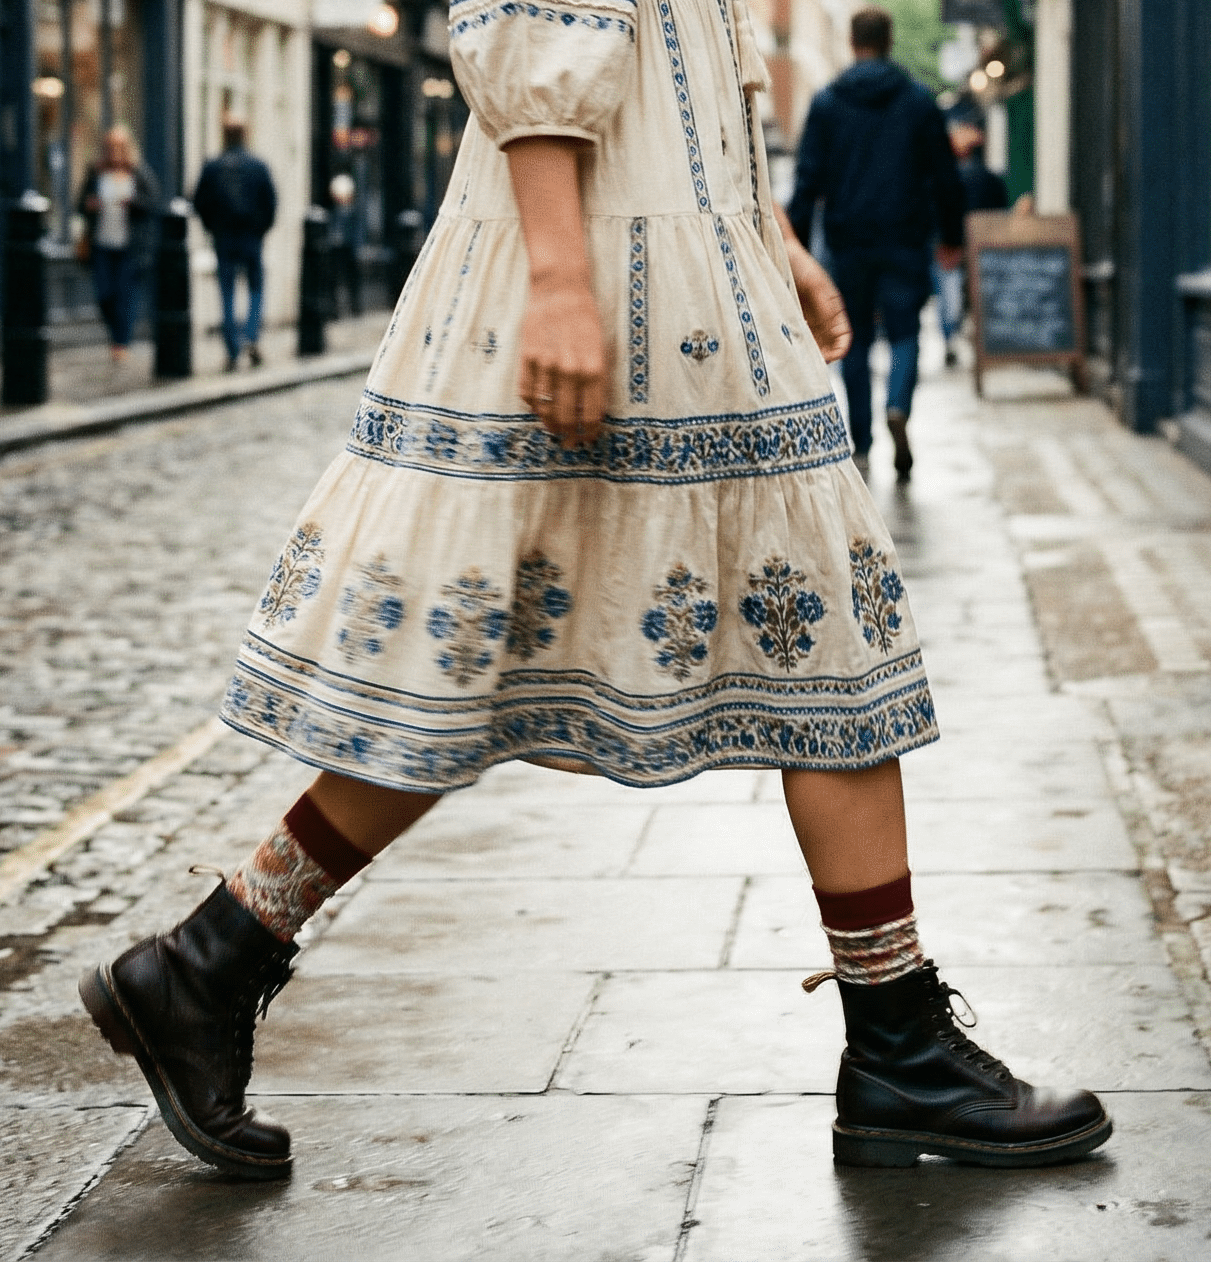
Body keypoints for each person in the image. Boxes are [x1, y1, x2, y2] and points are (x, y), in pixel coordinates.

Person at [80, 0, 1110, 1182]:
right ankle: (896, 1043)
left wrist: (768, 239)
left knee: (488, 654)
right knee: (799, 628)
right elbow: (533, 23)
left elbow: (682, 71)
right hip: (608, 276)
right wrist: (565, 281)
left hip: (681, 268)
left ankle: (210, 960)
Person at [789, 6, 965, 481]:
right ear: (889, 42)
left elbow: (807, 184)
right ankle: (898, 406)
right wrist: (952, 237)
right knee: (906, 332)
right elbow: (946, 179)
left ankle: (861, 444)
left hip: (848, 242)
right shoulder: (918, 102)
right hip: (906, 238)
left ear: (852, 42)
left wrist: (796, 254)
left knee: (858, 340)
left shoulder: (827, 103)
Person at [192, 118, 277, 370]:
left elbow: (199, 202)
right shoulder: (257, 166)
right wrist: (261, 230)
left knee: (226, 292)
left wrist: (212, 228)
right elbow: (270, 203)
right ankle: (250, 335)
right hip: (251, 237)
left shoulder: (213, 167)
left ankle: (231, 346)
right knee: (255, 289)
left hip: (224, 238)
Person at [76, 125, 159, 364]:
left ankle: (120, 342)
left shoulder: (139, 172)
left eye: (119, 147)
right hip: (102, 244)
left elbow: (153, 202)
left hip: (130, 247)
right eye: (110, 147)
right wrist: (90, 205)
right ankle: (116, 335)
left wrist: (132, 203)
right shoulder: (96, 173)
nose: (114, 152)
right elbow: (80, 204)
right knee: (104, 293)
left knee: (125, 294)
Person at [937, 107, 1009, 366]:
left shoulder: (949, 178)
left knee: (950, 296)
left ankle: (951, 338)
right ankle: (976, 339)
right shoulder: (991, 178)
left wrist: (948, 241)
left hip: (954, 245)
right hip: (981, 244)